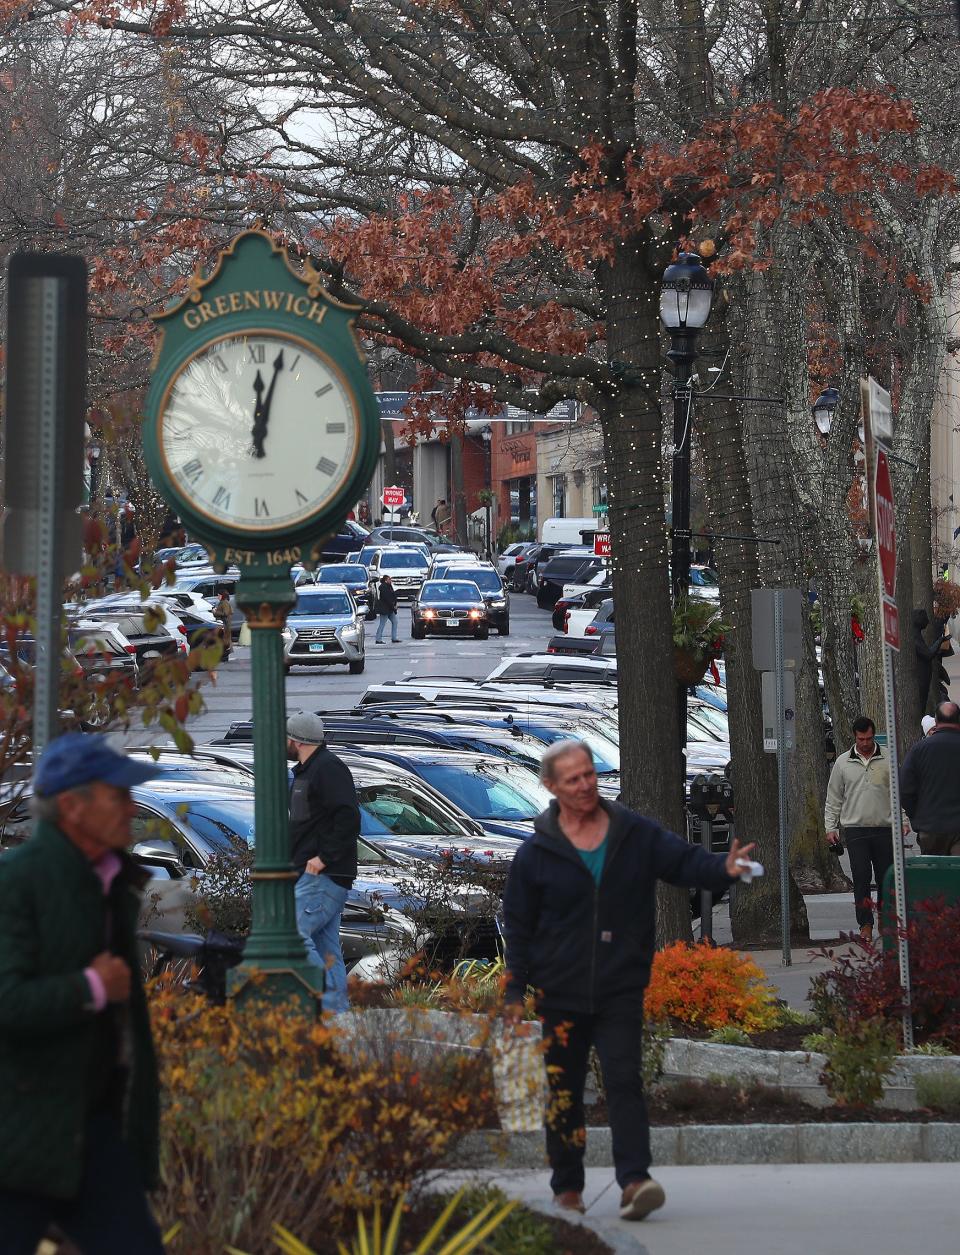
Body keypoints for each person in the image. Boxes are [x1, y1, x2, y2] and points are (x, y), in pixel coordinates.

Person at [501, 740, 755, 1222]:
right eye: (572, 779)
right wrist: (515, 989)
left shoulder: (630, 833)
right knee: (565, 1091)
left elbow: (680, 861)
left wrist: (720, 867)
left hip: (620, 983)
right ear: (551, 787)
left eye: (589, 774)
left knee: (623, 1080)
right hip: (560, 991)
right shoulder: (537, 853)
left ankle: (635, 1180)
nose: (585, 784)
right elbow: (518, 925)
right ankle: (567, 1188)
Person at [0, 733, 165, 1254]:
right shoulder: (18, 883)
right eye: (117, 795)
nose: (131, 808)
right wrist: (92, 987)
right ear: (72, 806)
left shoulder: (114, 882)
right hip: (17, 1133)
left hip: (89, 1127)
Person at [287, 712, 360, 1013]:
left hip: (322, 875)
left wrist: (322, 859)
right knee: (326, 948)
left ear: (296, 740)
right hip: (319, 874)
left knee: (292, 934)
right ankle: (337, 1016)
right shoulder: (308, 772)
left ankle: (325, 1004)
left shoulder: (327, 769)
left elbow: (348, 817)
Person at [823, 715, 895, 941]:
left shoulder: (887, 759)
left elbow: (898, 794)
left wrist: (902, 820)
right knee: (861, 877)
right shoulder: (843, 763)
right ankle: (865, 923)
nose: (866, 743)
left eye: (869, 738)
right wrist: (830, 826)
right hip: (855, 829)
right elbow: (833, 797)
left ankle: (886, 918)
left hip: (884, 827)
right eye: (862, 739)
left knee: (886, 877)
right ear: (855, 737)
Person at [900, 701, 960, 855]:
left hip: (930, 827)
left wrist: (917, 816)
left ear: (937, 721)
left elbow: (905, 789)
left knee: (935, 876)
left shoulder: (918, 750)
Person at [373, 573, 400, 644]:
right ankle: (378, 639)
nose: (390, 580)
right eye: (389, 579)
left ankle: (394, 638)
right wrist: (393, 605)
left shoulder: (389, 586)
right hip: (385, 609)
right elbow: (387, 598)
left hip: (390, 609)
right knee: (382, 623)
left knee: (395, 622)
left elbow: (393, 596)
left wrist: (394, 604)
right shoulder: (383, 587)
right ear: (385, 580)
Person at [212, 589, 233, 660]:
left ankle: (224, 656)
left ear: (222, 596)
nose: (217, 597)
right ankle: (224, 655)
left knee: (225, 640)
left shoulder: (224, 603)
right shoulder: (222, 602)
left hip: (225, 623)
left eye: (219, 595)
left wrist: (215, 612)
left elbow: (225, 613)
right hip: (224, 623)